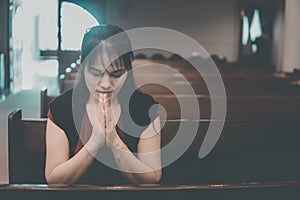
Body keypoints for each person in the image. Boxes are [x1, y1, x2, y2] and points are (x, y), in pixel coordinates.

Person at [45, 25, 162, 185]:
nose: (106, 84)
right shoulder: (61, 109)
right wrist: (94, 143)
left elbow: (152, 178)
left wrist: (115, 144)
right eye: (96, 73)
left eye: (116, 74)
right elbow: (54, 179)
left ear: (128, 68)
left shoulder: (146, 109)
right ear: (82, 64)